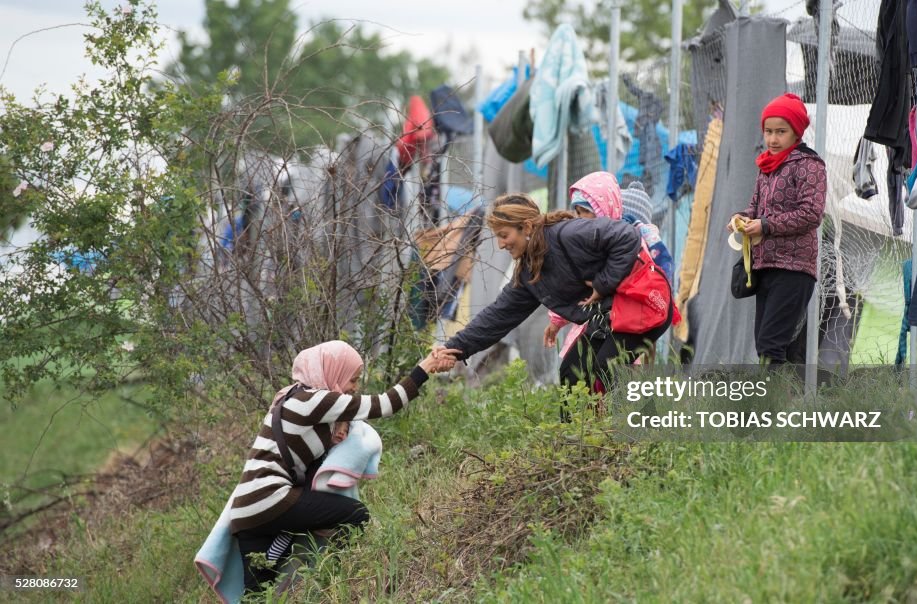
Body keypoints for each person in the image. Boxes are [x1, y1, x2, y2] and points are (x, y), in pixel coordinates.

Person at [231, 340, 457, 593]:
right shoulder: (314, 401)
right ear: (334, 372)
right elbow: (386, 404)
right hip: (270, 499)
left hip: (246, 511)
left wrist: (342, 421)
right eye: (352, 379)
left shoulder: (290, 396)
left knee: (259, 593)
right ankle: (328, 581)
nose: (354, 387)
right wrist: (426, 366)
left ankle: (304, 578)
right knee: (355, 515)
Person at [440, 193, 670, 418]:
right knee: (572, 371)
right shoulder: (531, 271)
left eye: (504, 235)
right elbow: (498, 316)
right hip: (611, 313)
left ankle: (642, 432)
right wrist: (454, 348)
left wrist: (602, 284)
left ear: (527, 227)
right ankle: (575, 442)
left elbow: (626, 235)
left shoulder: (568, 234)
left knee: (607, 366)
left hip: (645, 303)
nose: (501, 245)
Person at [726, 93, 827, 364]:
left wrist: (766, 225)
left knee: (771, 346)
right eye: (768, 131)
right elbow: (755, 207)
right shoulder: (766, 167)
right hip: (766, 265)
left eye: (780, 132)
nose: (772, 139)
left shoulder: (809, 165)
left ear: (796, 132)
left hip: (794, 268)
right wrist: (741, 218)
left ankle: (772, 405)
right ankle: (783, 403)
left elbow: (811, 214)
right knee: (766, 346)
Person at [544, 173, 674, 377]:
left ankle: (619, 405)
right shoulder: (590, 243)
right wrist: (556, 320)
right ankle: (590, 406)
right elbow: (577, 288)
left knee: (611, 370)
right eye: (576, 213)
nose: (579, 219)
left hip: (634, 317)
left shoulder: (631, 243)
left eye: (585, 212)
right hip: (604, 319)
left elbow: (658, 275)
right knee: (575, 369)